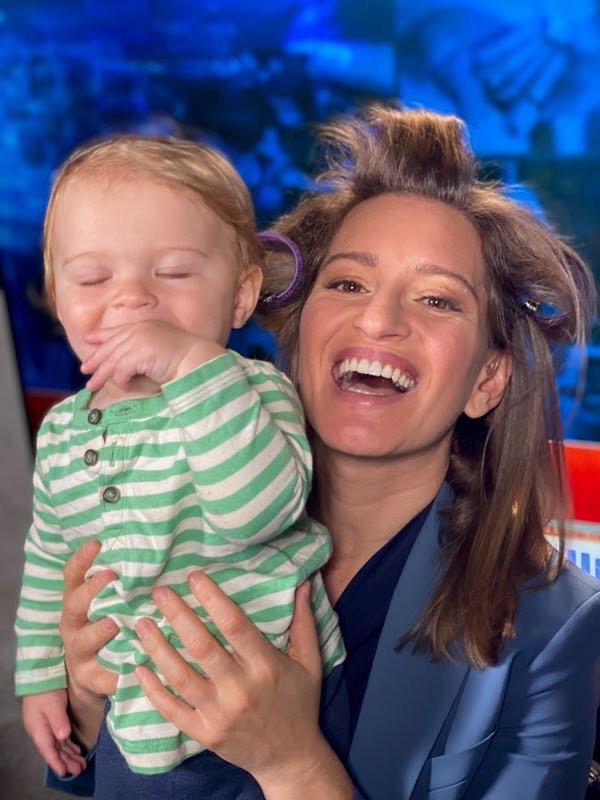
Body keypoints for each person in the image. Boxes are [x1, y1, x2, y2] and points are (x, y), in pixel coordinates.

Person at [46, 104, 600, 799]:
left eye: (436, 300)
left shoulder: (555, 624)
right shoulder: (150, 496)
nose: (378, 319)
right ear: (300, 331)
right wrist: (86, 702)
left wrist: (293, 763)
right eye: (347, 284)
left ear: (487, 379)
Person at [13, 133, 345, 789]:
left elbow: (257, 514)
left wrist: (192, 363)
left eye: (172, 272)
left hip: (268, 711)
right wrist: (44, 675)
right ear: (58, 297)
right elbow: (50, 560)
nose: (132, 297)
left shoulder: (251, 392)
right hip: (137, 716)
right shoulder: (61, 433)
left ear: (241, 296)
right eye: (93, 277)